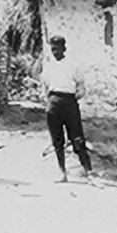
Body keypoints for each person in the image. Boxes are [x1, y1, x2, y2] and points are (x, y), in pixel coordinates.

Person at [41, 34, 96, 184]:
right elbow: (44, 85)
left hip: (69, 102)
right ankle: (62, 173)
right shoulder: (48, 65)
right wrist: (48, 100)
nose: (55, 52)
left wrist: (73, 99)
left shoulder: (73, 64)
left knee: (77, 139)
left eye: (58, 49)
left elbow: (81, 86)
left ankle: (89, 173)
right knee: (57, 140)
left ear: (64, 48)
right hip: (53, 103)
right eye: (53, 49)